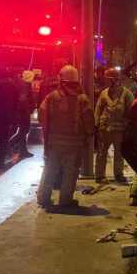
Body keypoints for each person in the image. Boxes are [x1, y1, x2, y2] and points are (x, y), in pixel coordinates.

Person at [37, 65, 95, 208]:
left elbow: (41, 116)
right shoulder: (82, 99)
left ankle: (43, 198)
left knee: (50, 170)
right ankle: (65, 200)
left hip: (54, 143)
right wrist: (90, 136)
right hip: (74, 144)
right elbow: (89, 121)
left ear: (61, 80)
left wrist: (47, 136)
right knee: (71, 173)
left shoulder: (51, 97)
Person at [95, 68, 135, 184]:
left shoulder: (126, 94)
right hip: (104, 128)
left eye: (108, 80)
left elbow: (132, 111)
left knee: (119, 153)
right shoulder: (104, 93)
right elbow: (98, 109)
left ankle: (118, 174)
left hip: (119, 130)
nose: (106, 82)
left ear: (114, 80)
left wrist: (128, 126)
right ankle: (99, 175)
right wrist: (96, 124)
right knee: (102, 153)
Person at [10, 70, 36, 159]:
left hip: (24, 112)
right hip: (24, 112)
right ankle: (12, 144)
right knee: (24, 130)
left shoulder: (24, 85)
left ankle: (22, 150)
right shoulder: (25, 86)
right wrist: (28, 109)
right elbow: (23, 100)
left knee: (23, 131)